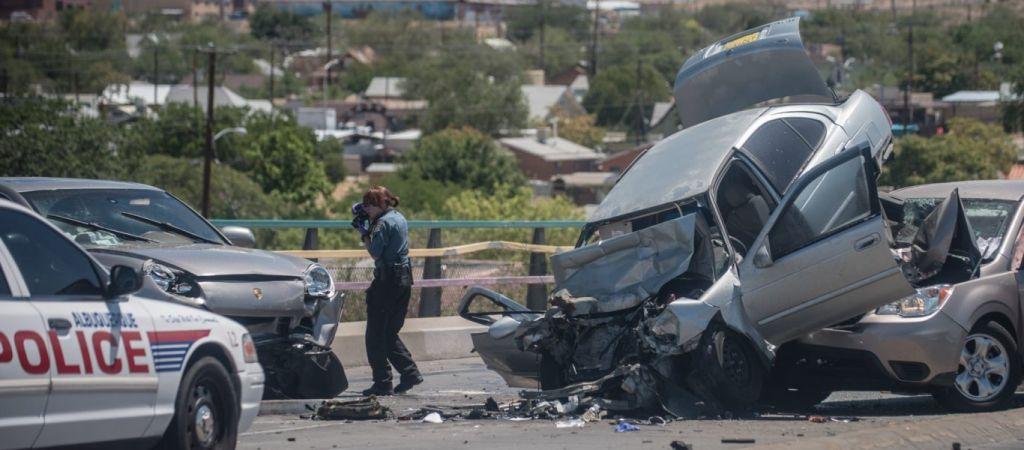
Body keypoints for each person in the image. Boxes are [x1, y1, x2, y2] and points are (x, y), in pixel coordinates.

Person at [353, 186, 422, 396]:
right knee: (389, 333)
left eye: (369, 206)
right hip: (403, 280)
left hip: (387, 282)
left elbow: (375, 252)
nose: (366, 209)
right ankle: (409, 373)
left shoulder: (382, 223)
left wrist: (364, 233)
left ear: (380, 204)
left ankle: (383, 382)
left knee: (375, 334)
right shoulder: (399, 218)